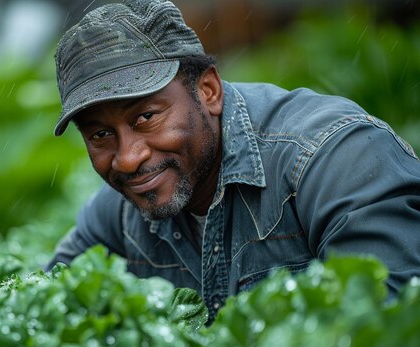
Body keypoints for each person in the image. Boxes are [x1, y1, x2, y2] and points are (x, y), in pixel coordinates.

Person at [45, 0, 420, 321]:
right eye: (99, 135)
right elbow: (42, 306)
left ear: (208, 91)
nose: (128, 159)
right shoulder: (120, 215)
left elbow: (391, 322)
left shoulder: (333, 158)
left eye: (146, 117)